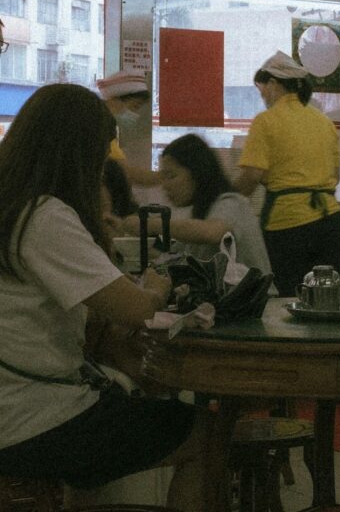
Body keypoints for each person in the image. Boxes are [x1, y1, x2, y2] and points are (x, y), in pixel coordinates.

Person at [0, 83, 211, 509]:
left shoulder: (12, 206)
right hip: (34, 416)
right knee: (204, 436)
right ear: (79, 151)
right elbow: (135, 310)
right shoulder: (44, 216)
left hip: (14, 405)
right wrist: (157, 284)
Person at [235, 51, 340, 297]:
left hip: (288, 223)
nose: (261, 95)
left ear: (273, 84)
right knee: (326, 297)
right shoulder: (324, 122)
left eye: (261, 88)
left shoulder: (266, 121)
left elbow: (251, 175)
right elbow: (334, 175)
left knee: (289, 295)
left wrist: (226, 203)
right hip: (330, 222)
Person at [117, 133, 271, 275]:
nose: (164, 185)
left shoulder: (231, 202)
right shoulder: (201, 212)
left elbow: (211, 233)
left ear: (197, 172)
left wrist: (149, 224)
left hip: (254, 302)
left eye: (171, 176)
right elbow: (179, 257)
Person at [97, 70, 160, 187]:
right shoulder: (99, 128)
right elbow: (125, 172)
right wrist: (168, 175)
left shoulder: (106, 128)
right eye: (134, 106)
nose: (134, 114)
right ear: (114, 100)